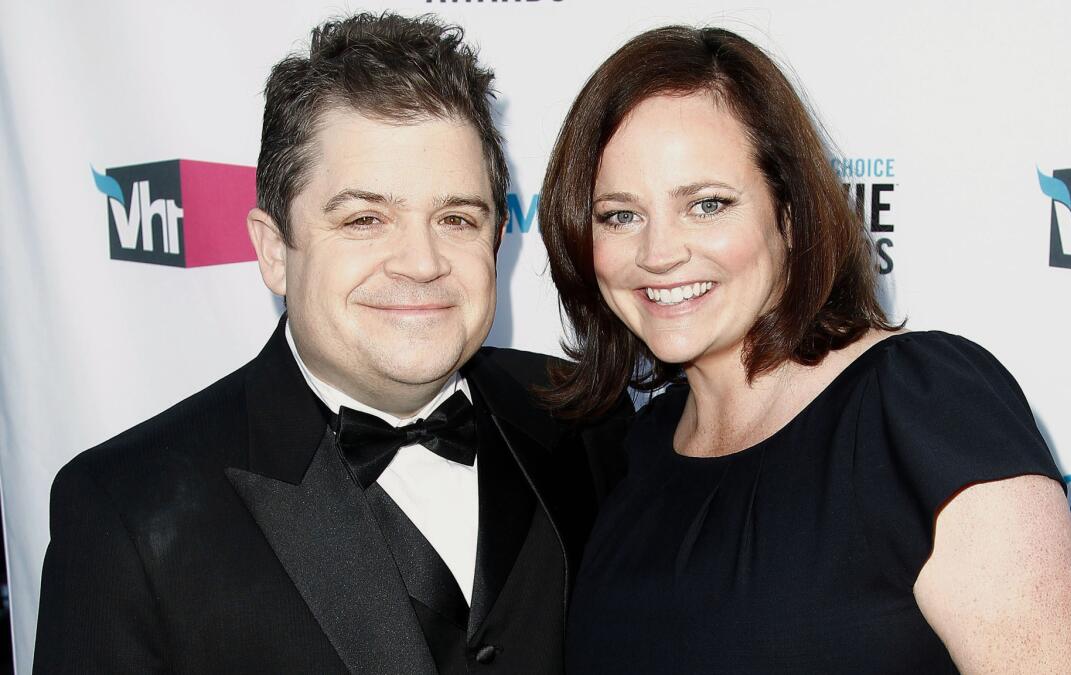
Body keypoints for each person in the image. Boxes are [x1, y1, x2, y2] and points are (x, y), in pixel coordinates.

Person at [34, 13, 628, 674]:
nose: (421, 260)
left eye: (456, 217)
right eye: (366, 218)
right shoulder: (125, 514)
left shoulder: (584, 413)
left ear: (495, 238)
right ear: (273, 251)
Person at [538, 26, 1071, 674]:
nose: (659, 252)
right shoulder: (634, 451)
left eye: (708, 204)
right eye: (619, 215)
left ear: (790, 213)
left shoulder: (922, 409)